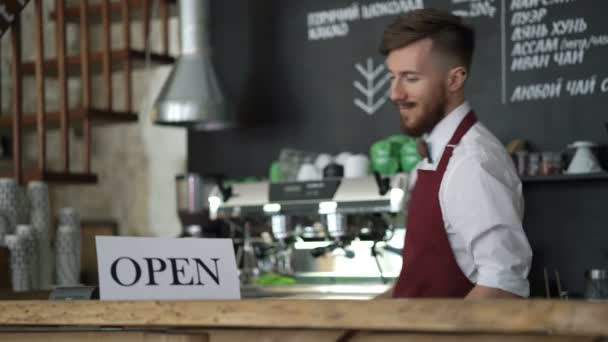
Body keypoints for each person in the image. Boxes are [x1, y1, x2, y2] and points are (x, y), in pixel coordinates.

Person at [378, 8, 532, 299]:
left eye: (410, 78)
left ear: (454, 80)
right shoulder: (435, 154)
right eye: (391, 77)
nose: (394, 93)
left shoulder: (472, 162)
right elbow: (416, 283)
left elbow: (502, 286)